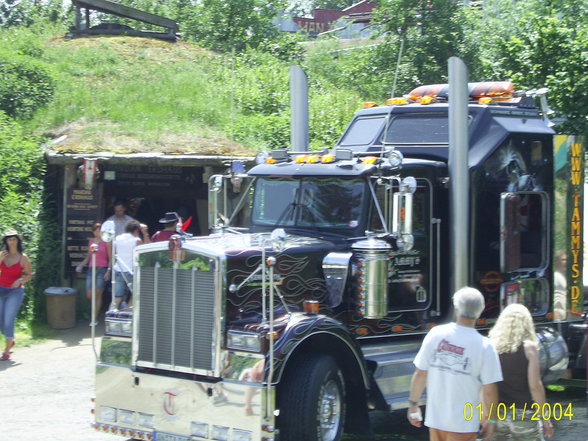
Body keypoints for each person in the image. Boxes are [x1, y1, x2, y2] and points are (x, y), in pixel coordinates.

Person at [407, 287, 502, 441]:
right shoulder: (485, 346)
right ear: (481, 311)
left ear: (456, 308)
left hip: (436, 421)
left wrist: (413, 404)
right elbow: (489, 389)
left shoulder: (436, 334)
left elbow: (420, 373)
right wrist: (491, 419)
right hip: (464, 424)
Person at [489, 304, 554, 440]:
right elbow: (535, 386)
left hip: (500, 414)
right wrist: (545, 416)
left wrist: (490, 417)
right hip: (524, 414)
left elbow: (488, 386)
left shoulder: (491, 347)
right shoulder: (529, 348)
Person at [0, 229, 32, 361]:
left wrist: (20, 280)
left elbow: (29, 275)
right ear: (6, 241)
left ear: (17, 241)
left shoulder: (23, 257)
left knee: (8, 319)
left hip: (15, 291)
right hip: (1, 290)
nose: (11, 242)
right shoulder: (2, 255)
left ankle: (7, 350)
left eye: (13, 239)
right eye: (9, 239)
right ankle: (10, 339)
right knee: (1, 320)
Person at [76, 222, 111, 326]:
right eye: (96, 231)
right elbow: (89, 256)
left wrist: (108, 270)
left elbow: (110, 257)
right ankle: (96, 311)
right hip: (92, 268)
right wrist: (81, 265)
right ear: (93, 232)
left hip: (102, 268)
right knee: (89, 295)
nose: (98, 233)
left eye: (99, 231)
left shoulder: (106, 242)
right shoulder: (91, 242)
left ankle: (94, 318)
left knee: (98, 294)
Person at [112, 220, 149, 309]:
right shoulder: (136, 240)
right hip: (131, 271)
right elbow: (147, 249)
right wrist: (145, 233)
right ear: (136, 231)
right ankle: (127, 313)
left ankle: (111, 315)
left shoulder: (117, 238)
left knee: (117, 297)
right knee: (136, 295)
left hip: (118, 269)